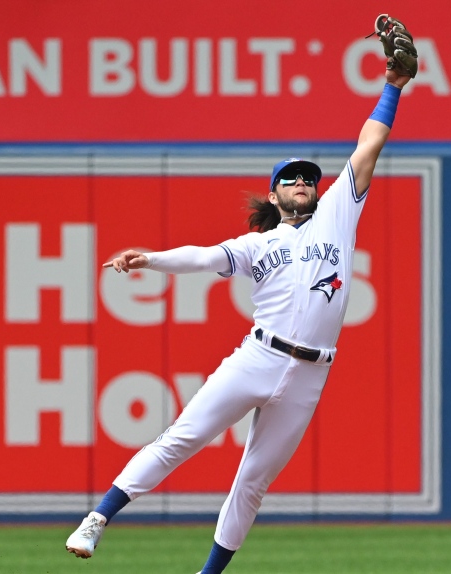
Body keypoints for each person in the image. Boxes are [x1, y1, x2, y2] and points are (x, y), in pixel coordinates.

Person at [65, 15, 417, 574]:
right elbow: (203, 257)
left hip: (310, 374)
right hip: (258, 356)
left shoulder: (338, 214)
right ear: (276, 195)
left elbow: (369, 144)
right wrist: (150, 259)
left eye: (309, 178)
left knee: (253, 482)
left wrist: (393, 87)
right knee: (183, 437)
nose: (303, 182)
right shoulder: (260, 244)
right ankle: (99, 517)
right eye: (291, 179)